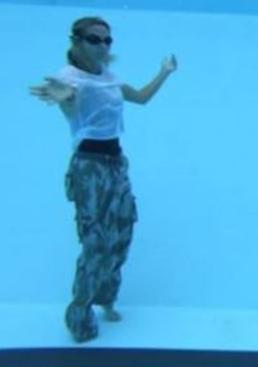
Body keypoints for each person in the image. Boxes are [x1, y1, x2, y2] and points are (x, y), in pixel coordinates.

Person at [30, 16, 177, 343]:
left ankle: (106, 298)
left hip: (116, 164)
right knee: (96, 242)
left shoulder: (109, 79)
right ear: (77, 42)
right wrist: (61, 96)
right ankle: (79, 313)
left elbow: (140, 97)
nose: (103, 46)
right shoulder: (69, 78)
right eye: (95, 39)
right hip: (89, 166)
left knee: (122, 231)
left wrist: (165, 71)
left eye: (107, 40)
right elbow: (67, 95)